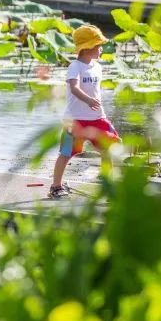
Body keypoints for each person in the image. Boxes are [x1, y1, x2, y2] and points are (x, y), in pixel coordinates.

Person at [49, 24, 121, 199]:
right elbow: (74, 88)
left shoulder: (97, 67)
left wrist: (99, 110)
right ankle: (56, 186)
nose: (101, 49)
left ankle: (107, 183)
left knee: (109, 148)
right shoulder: (75, 66)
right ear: (87, 48)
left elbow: (96, 92)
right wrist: (88, 100)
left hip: (97, 117)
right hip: (74, 119)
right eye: (98, 45)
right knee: (65, 153)